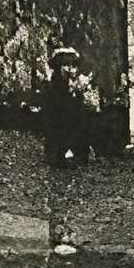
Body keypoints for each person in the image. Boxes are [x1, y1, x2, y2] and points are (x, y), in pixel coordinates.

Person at [41, 43, 98, 256]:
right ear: (58, 67)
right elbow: (57, 115)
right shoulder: (55, 87)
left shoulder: (67, 86)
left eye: (71, 65)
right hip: (59, 132)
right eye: (65, 65)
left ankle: (64, 232)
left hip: (66, 131)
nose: (69, 69)